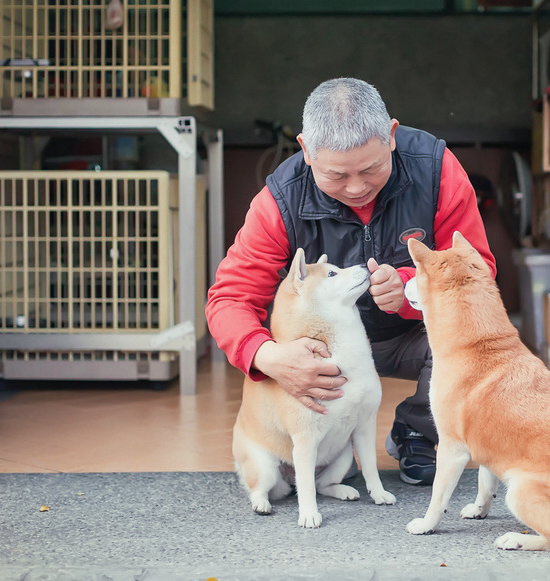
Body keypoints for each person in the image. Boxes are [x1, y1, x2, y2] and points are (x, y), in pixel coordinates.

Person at [205, 77, 496, 485]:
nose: (357, 187)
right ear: (306, 150)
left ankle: (415, 429)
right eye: (337, 175)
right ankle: (332, 447)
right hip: (324, 350)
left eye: (372, 168)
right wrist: (268, 357)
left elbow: (476, 268)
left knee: (477, 341)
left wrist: (412, 287)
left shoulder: (436, 169)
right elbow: (230, 297)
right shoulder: (281, 200)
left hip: (411, 336)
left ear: (391, 136)